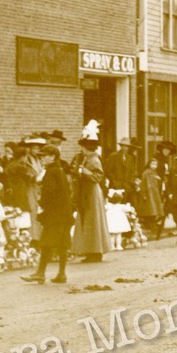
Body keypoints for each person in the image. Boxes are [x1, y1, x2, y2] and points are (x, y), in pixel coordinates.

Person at [23, 145, 74, 284]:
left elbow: (49, 194)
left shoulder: (51, 172)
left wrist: (42, 204)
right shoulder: (60, 170)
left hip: (54, 215)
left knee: (46, 243)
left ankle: (40, 273)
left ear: (53, 156)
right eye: (41, 156)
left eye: (45, 156)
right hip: (65, 213)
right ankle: (62, 274)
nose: (42, 158)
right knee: (63, 244)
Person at [72, 122, 111, 263]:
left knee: (92, 221)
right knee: (89, 221)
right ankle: (91, 250)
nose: (81, 149)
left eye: (82, 147)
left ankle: (95, 251)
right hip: (87, 192)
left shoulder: (94, 159)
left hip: (92, 193)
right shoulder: (87, 158)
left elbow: (98, 177)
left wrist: (84, 172)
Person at [139, 158, 166, 238]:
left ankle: (154, 227)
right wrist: (144, 194)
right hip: (149, 194)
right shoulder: (146, 173)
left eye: (155, 164)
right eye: (152, 164)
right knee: (151, 211)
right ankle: (152, 227)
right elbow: (143, 185)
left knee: (154, 210)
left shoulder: (155, 173)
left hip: (155, 194)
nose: (154, 166)